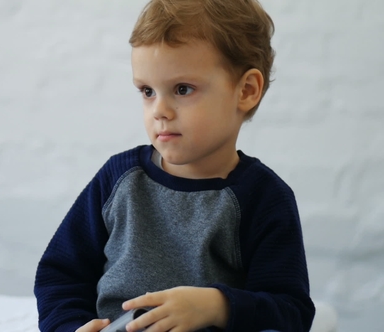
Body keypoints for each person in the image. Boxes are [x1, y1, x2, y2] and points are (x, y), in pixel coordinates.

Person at [34, 0, 316, 331]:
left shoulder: (263, 198)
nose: (160, 110)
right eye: (147, 91)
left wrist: (218, 306)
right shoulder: (118, 179)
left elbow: (291, 311)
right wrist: (70, 326)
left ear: (246, 91)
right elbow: (60, 275)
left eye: (182, 89)